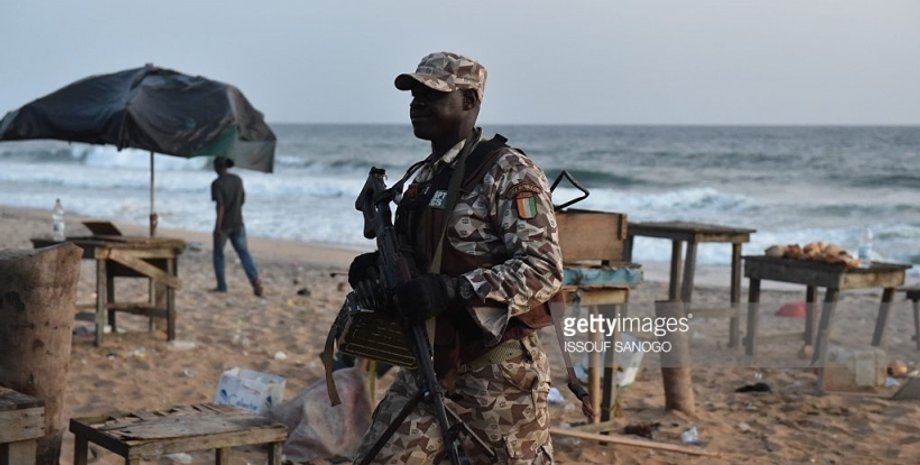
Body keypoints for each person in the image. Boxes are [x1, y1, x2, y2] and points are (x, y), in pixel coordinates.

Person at [350, 52, 563, 465]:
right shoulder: (424, 177)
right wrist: (376, 272)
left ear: (469, 101)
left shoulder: (509, 173)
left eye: (432, 94)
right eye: (414, 94)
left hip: (497, 374)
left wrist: (452, 290)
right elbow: (423, 263)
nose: (417, 104)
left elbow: (544, 270)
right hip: (428, 363)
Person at [211, 156, 263, 296]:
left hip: (224, 225)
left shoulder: (217, 183)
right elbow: (242, 199)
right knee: (244, 253)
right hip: (238, 222)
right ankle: (255, 281)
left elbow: (220, 206)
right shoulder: (237, 180)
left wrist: (217, 227)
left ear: (216, 167)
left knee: (218, 254)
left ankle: (221, 285)